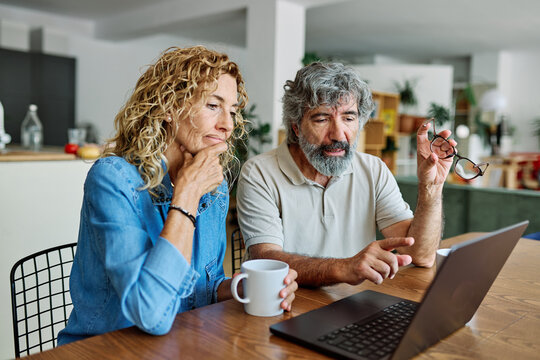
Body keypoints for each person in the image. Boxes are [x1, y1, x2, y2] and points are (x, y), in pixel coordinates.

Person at [58, 46, 298, 345]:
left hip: (182, 343)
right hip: (106, 349)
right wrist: (187, 194)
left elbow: (200, 289)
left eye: (233, 111)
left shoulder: (215, 186)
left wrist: (242, 288)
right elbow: (151, 314)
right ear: (170, 107)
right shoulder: (113, 179)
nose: (228, 124)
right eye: (213, 105)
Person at [236, 62, 455, 287]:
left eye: (349, 118)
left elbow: (421, 255)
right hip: (288, 303)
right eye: (321, 119)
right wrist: (343, 267)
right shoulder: (259, 173)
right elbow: (266, 259)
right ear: (296, 127)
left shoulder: (374, 170)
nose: (338, 134)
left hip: (355, 303)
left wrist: (431, 186)